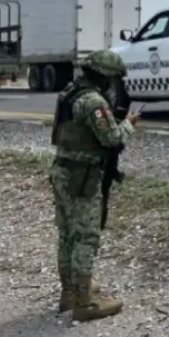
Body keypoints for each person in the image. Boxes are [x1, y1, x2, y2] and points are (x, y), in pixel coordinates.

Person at [50, 49, 140, 321]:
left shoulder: (69, 93)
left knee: (67, 234)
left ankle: (69, 292)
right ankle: (84, 301)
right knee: (86, 237)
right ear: (104, 76)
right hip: (83, 177)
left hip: (62, 170)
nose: (113, 85)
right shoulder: (92, 102)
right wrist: (129, 124)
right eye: (112, 79)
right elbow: (111, 138)